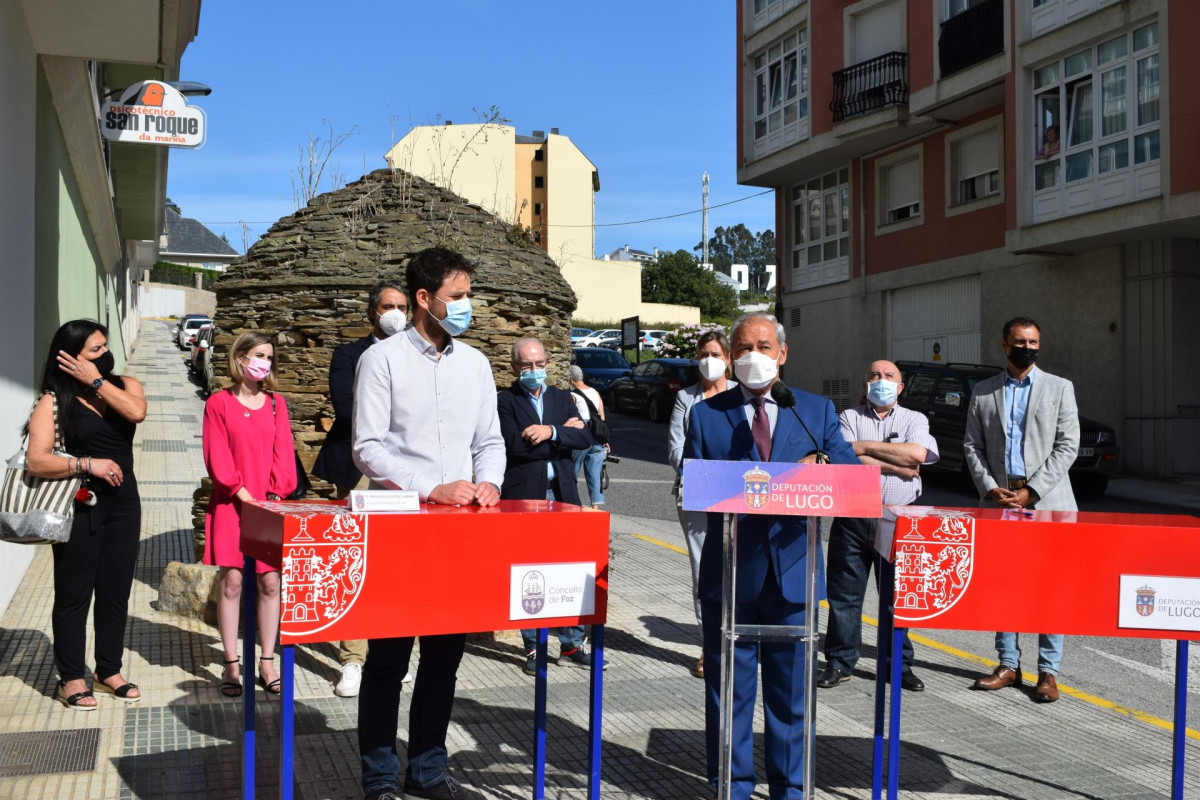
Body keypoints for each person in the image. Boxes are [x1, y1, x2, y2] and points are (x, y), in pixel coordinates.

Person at [683, 313, 858, 799]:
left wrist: (820, 467)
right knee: (729, 695)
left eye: (762, 346)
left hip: (792, 575)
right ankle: (731, 786)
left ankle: (789, 789)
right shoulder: (706, 414)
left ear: (782, 354)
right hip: (731, 575)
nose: (751, 356)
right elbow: (693, 489)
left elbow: (849, 475)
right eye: (741, 348)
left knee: (791, 697)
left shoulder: (815, 411)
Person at [352, 246, 504, 800]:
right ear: (424, 298)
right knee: (388, 660)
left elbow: (489, 441)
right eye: (457, 297)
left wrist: (489, 482)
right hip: (398, 528)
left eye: (468, 295)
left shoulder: (477, 364)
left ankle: (428, 770)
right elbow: (367, 448)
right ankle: (378, 775)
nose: (468, 306)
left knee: (444, 659)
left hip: (459, 534)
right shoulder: (383, 360)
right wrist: (428, 487)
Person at [24, 320, 147, 710]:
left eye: (104, 347)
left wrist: (96, 380)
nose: (104, 354)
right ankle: (71, 676)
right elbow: (37, 461)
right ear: (70, 358)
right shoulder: (52, 401)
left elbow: (136, 412)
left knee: (115, 591)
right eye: (94, 350)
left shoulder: (124, 386)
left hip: (125, 505)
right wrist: (86, 464)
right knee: (75, 593)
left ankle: (108, 670)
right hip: (80, 505)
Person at [964, 316, 1079, 703]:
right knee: (1004, 585)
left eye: (1033, 342)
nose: (1027, 348)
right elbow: (971, 447)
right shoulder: (983, 391)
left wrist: (1032, 490)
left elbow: (1067, 446)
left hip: (1048, 504)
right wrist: (990, 487)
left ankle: (1049, 672)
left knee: (1050, 588)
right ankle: (1008, 664)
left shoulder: (1060, 388)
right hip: (1000, 501)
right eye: (1020, 341)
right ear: (1004, 344)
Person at [312, 279, 409, 699]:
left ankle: (396, 657)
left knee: (397, 568)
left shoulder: (419, 356)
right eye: (389, 305)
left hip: (406, 474)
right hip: (361, 469)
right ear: (373, 312)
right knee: (356, 564)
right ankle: (353, 660)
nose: (396, 313)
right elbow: (349, 408)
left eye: (402, 306)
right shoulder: (349, 354)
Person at [818, 359, 938, 693]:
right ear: (864, 385)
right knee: (845, 595)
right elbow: (845, 457)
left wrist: (867, 448)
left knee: (897, 598)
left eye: (889, 377)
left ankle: (898, 666)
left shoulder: (915, 419)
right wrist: (895, 463)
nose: (881, 381)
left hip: (901, 519)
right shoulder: (848, 418)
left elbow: (916, 454)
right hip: (853, 516)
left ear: (900, 387)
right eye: (874, 376)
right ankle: (839, 663)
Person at [203, 332, 298, 699]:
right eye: (259, 355)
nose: (265, 363)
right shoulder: (219, 403)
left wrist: (274, 496)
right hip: (232, 503)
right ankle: (231, 664)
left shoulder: (277, 404)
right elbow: (217, 456)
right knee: (231, 583)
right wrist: (243, 495)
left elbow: (284, 454)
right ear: (240, 357)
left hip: (268, 505)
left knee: (270, 583)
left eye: (270, 357)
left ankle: (267, 661)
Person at [497, 337, 597, 676]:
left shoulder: (561, 397)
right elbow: (513, 446)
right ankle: (534, 647)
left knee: (571, 567)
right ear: (514, 367)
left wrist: (549, 431)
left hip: (563, 494)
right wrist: (560, 438)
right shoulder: (504, 401)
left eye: (539, 364)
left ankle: (572, 642)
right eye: (527, 365)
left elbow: (585, 438)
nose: (534, 370)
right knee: (530, 573)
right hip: (526, 496)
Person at [667, 329, 736, 680]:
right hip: (695, 494)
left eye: (715, 353)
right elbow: (676, 449)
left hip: (739, 497)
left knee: (739, 573)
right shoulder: (686, 399)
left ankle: (738, 643)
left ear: (728, 358)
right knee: (703, 573)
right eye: (703, 353)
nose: (708, 360)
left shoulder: (742, 396)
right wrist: (703, 474)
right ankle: (710, 647)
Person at [568, 366, 607, 509]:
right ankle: (596, 506)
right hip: (597, 433)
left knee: (573, 468)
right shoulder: (595, 392)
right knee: (595, 473)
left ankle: (570, 501)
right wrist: (605, 440)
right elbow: (602, 416)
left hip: (582, 431)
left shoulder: (573, 395)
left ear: (571, 379)